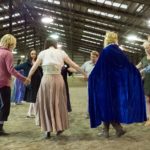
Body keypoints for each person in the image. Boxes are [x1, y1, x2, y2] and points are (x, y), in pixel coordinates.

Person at [88, 31, 146, 138]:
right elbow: (127, 66)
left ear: (107, 39)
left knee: (106, 106)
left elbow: (99, 68)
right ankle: (114, 130)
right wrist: (136, 74)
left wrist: (92, 78)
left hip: (106, 85)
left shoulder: (106, 51)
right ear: (115, 39)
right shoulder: (119, 51)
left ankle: (111, 130)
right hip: (117, 87)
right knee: (111, 107)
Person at [27, 38, 87, 139]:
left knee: (46, 103)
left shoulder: (42, 53)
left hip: (46, 79)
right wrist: (84, 73)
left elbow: (34, 67)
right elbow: (74, 65)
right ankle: (59, 127)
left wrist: (28, 77)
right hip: (58, 80)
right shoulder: (61, 52)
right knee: (59, 103)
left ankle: (47, 130)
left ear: (46, 44)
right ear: (55, 44)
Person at [0, 34, 29, 136]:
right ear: (11, 43)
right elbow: (11, 69)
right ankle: (0, 127)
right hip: (3, 83)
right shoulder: (8, 53)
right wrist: (23, 78)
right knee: (5, 105)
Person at [15, 49, 43, 118]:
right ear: (29, 55)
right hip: (31, 83)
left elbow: (41, 72)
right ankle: (37, 114)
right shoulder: (25, 64)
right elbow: (15, 68)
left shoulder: (38, 62)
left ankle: (29, 113)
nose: (33, 55)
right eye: (32, 54)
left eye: (35, 54)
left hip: (38, 82)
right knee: (34, 98)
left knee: (34, 98)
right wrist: (22, 77)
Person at [81, 51, 99, 118]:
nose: (92, 58)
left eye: (94, 57)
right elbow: (81, 69)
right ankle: (89, 113)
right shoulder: (86, 63)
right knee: (90, 99)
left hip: (99, 84)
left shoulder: (101, 64)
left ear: (97, 57)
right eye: (91, 56)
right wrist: (84, 75)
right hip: (90, 84)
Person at [137, 41, 150, 126]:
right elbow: (137, 66)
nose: (146, 50)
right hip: (147, 82)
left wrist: (143, 70)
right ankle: (149, 118)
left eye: (148, 47)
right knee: (148, 100)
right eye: (145, 48)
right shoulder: (144, 58)